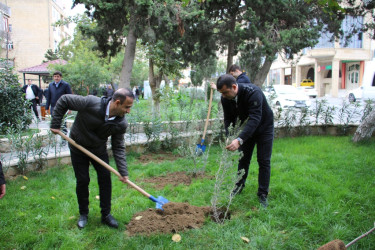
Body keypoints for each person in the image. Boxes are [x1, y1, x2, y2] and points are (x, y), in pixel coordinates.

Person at [50, 88, 134, 229]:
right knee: (83, 180)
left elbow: (118, 147)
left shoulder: (120, 123)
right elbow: (64, 100)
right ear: (118, 103)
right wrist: (55, 124)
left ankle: (106, 215)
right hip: (78, 146)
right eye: (127, 107)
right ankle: (83, 214)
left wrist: (123, 172)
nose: (128, 111)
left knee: (105, 178)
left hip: (98, 149)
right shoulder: (91, 103)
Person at [213, 74, 274, 207]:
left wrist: (240, 139)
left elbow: (255, 118)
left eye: (224, 92)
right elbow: (228, 119)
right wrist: (230, 135)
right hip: (246, 130)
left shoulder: (253, 93)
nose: (223, 96)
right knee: (243, 159)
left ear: (234, 87)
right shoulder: (226, 99)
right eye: (221, 93)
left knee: (263, 160)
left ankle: (263, 194)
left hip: (264, 128)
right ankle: (238, 187)